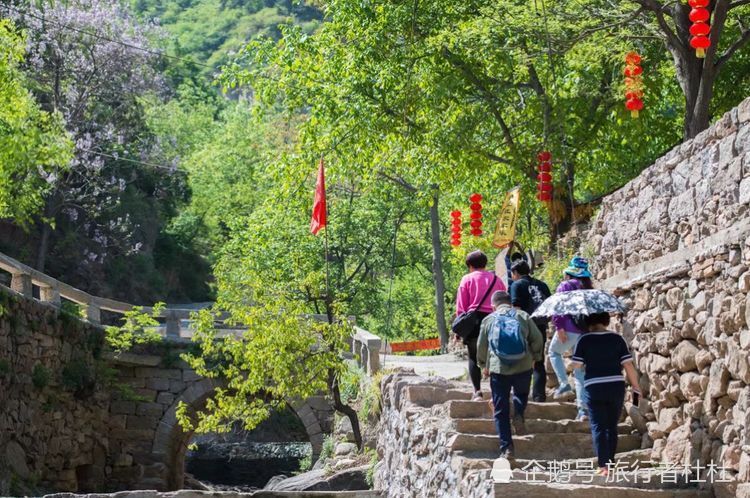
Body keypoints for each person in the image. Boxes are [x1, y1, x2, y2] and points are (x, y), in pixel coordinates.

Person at [571, 312, 641, 476]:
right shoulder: (617, 339)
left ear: (587, 322)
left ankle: (603, 466)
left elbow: (576, 366)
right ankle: (610, 464)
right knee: (611, 426)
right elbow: (628, 365)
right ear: (606, 321)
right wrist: (636, 386)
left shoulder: (584, 339)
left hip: (594, 388)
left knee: (598, 426)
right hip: (615, 387)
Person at [477, 291, 543, 459]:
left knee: (500, 409)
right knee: (521, 394)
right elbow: (537, 338)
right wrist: (536, 357)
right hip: (523, 364)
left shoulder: (489, 319)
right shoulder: (523, 315)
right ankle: (519, 413)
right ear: (510, 302)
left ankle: (507, 449)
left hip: (499, 369)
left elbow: (481, 346)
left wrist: (484, 365)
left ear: (493, 305)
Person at [454, 250, 507, 401]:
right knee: (495, 355)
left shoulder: (467, 279)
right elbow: (504, 300)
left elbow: (461, 306)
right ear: (485, 264)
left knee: (473, 356)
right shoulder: (497, 280)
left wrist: (460, 328)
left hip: (474, 321)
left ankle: (477, 392)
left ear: (470, 265)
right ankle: (496, 392)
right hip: (494, 319)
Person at [549, 256, 593, 421]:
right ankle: (583, 411)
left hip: (568, 329)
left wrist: (559, 326)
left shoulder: (565, 285)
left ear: (569, 273)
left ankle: (564, 384)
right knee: (580, 372)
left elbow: (558, 306)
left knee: (553, 353)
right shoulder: (588, 288)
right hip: (584, 333)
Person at [509, 260, 551, 402]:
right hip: (540, 326)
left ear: (515, 273)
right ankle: (539, 395)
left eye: (512, 273)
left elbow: (516, 308)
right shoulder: (542, 284)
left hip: (524, 327)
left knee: (521, 360)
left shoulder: (516, 285)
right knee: (539, 361)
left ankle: (521, 395)